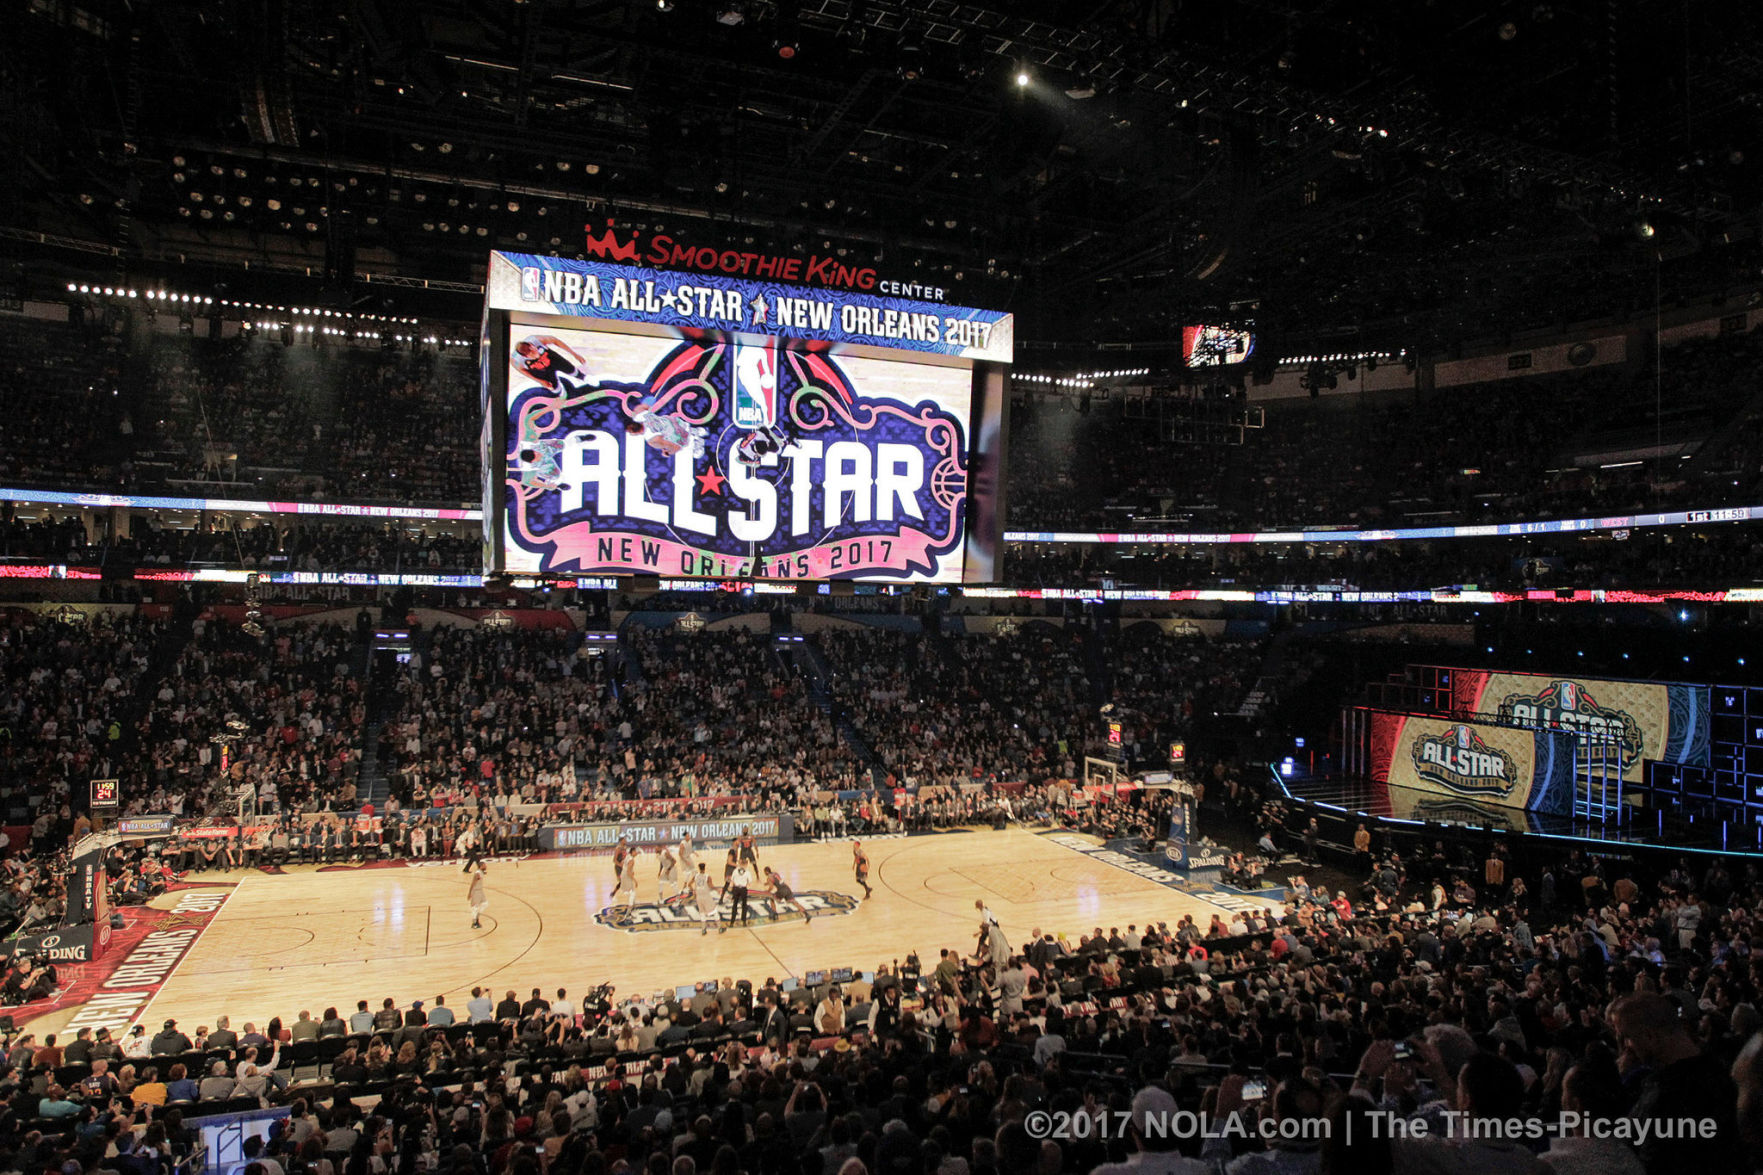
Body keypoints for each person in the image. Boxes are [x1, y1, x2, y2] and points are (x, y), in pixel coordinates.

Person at [690, 862, 720, 936]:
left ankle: (703, 930)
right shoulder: (707, 876)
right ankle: (720, 928)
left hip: (699, 897)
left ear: (699, 868)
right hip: (706, 896)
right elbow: (711, 886)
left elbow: (689, 884)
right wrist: (717, 889)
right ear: (704, 868)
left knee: (702, 913)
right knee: (714, 911)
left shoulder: (695, 876)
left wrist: (693, 890)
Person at [726, 861, 753, 932]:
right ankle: (744, 921)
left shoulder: (735, 871)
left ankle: (732, 922)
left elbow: (732, 880)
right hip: (743, 889)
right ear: (746, 864)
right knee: (744, 905)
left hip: (736, 889)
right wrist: (746, 886)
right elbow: (750, 881)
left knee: (735, 905)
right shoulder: (747, 872)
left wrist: (731, 887)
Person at [614, 845, 639, 910]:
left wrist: (628, 870)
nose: (637, 853)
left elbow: (622, 863)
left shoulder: (627, 856)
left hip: (623, 874)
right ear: (633, 852)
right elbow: (628, 872)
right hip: (627, 876)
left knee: (632, 891)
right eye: (636, 852)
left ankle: (633, 904)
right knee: (632, 892)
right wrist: (635, 880)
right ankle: (630, 909)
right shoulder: (631, 860)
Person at [467, 860, 488, 929]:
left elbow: (483, 873)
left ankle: (477, 918)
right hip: (476, 891)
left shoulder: (481, 872)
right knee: (475, 908)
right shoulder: (477, 874)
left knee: (485, 904)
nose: (486, 866)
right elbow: (473, 883)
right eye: (485, 865)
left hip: (480, 891)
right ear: (481, 866)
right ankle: (474, 923)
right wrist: (470, 893)